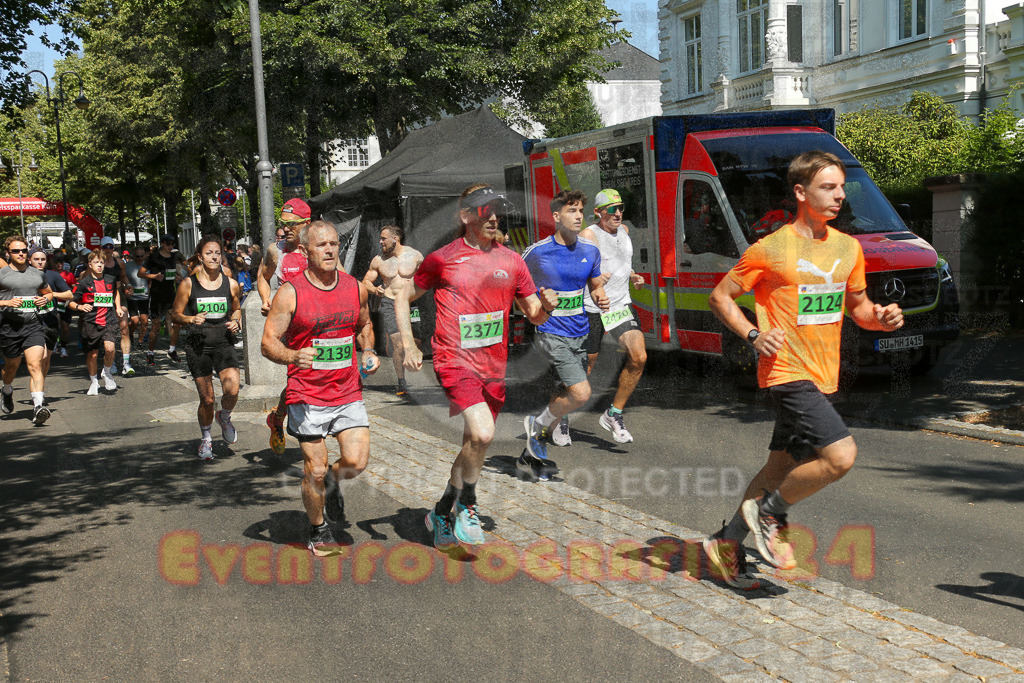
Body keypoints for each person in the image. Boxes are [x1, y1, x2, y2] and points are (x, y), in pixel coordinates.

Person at [703, 151, 904, 590]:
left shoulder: (848, 248)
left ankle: (727, 543)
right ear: (800, 192)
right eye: (827, 187)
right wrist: (754, 336)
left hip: (822, 373)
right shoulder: (772, 249)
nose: (839, 195)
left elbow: (858, 308)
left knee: (778, 468)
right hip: (786, 372)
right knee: (840, 456)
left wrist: (881, 317)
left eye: (841, 187)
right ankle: (772, 513)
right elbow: (720, 298)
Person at [396, 184, 557, 549]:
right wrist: (409, 342)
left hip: (493, 367)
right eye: (484, 210)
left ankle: (440, 511)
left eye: (497, 210)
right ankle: (468, 504)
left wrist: (546, 305)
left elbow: (533, 313)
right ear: (465, 215)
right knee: (483, 433)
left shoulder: (512, 261)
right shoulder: (443, 258)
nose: (494, 217)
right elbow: (402, 296)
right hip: (454, 360)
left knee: (474, 445)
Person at [261, 220, 379, 555]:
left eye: (333, 244)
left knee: (355, 462)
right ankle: (318, 528)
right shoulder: (290, 293)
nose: (329, 250)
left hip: (346, 390)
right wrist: (293, 355)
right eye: (321, 245)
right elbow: (268, 343)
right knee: (314, 468)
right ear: (305, 250)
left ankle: (331, 482)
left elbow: (365, 323)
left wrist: (368, 350)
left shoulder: (354, 287)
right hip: (307, 392)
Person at [521, 190, 608, 473]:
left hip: (580, 331)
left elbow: (595, 285)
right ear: (556, 217)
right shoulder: (537, 252)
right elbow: (516, 286)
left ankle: (532, 447)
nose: (579, 215)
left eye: (581, 210)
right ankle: (538, 425)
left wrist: (600, 296)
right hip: (550, 331)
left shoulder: (590, 250)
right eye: (572, 211)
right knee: (581, 393)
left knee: (566, 394)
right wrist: (535, 307)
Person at [578, 188, 648, 444]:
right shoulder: (589, 235)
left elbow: (621, 262)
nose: (618, 213)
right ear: (598, 212)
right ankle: (561, 415)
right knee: (586, 368)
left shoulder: (625, 232)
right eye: (612, 209)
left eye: (621, 208)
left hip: (619, 306)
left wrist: (633, 276)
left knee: (639, 356)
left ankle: (613, 414)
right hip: (594, 308)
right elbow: (579, 271)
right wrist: (595, 278)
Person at [171, 236, 243, 460]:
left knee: (232, 390)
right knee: (208, 399)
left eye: (218, 252)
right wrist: (191, 319)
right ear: (200, 257)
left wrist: (236, 320)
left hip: (223, 342)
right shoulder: (188, 284)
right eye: (209, 253)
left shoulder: (229, 282)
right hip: (198, 345)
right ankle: (206, 439)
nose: (214, 256)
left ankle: (225, 417)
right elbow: (175, 315)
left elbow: (237, 308)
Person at [258, 198, 312, 456]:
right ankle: (282, 420)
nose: (286, 228)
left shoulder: (318, 247)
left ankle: (279, 417)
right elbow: (263, 277)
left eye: (292, 224)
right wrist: (267, 299)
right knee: (299, 377)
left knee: (315, 376)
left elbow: (341, 278)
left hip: (317, 324)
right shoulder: (275, 250)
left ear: (307, 223)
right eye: (284, 224)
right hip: (291, 326)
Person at [361, 225, 424, 397]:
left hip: (411, 303)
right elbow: (366, 281)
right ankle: (401, 382)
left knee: (415, 343)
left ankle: (413, 379)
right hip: (390, 302)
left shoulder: (415, 256)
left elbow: (429, 276)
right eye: (380, 238)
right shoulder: (379, 260)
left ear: (395, 239)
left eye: (383, 238)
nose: (380, 241)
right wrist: (375, 290)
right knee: (399, 343)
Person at [0, 236, 56, 424]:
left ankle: (39, 406)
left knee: (35, 364)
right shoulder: (3, 274)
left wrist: (45, 299)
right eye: (16, 251)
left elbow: (48, 293)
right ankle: (7, 389)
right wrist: (6, 302)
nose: (21, 254)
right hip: (9, 327)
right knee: (11, 368)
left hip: (32, 325)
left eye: (24, 250)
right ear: (8, 253)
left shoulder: (37, 274)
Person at [70, 250, 121, 395]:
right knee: (92, 354)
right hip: (90, 321)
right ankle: (94, 381)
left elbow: (115, 292)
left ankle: (106, 371)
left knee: (110, 348)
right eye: (96, 262)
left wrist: (117, 307)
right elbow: (70, 302)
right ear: (90, 265)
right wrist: (79, 306)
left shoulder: (110, 279)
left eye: (102, 262)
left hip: (108, 318)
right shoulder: (84, 283)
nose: (99, 265)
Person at [139, 234, 186, 365]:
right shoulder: (153, 257)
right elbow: (140, 273)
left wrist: (177, 277)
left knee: (177, 322)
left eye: (172, 244)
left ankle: (172, 350)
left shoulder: (173, 257)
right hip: (157, 296)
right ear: (163, 244)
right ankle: (150, 353)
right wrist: (154, 276)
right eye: (168, 244)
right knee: (156, 326)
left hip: (170, 294)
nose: (171, 247)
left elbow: (172, 272)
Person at [29, 249, 73, 378]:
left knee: (46, 359)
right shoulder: (23, 276)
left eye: (43, 259)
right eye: (36, 259)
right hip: (31, 322)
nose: (40, 262)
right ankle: (37, 391)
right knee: (39, 356)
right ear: (29, 260)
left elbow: (69, 294)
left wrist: (50, 294)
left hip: (49, 321)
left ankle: (39, 385)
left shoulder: (53, 276)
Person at [98, 236, 134, 375]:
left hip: (118, 295)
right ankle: (110, 362)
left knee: (124, 328)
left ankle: (126, 363)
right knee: (108, 331)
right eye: (105, 247)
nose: (108, 250)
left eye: (110, 247)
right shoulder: (99, 263)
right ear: (101, 248)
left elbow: (123, 276)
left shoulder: (119, 262)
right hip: (103, 298)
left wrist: (128, 285)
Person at [124, 247, 150, 352]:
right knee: (135, 320)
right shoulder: (127, 266)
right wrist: (125, 289)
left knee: (144, 321)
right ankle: (130, 333)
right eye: (137, 256)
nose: (140, 258)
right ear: (133, 256)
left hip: (144, 296)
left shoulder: (148, 265)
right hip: (132, 297)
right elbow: (122, 279)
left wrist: (150, 289)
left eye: (141, 256)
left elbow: (150, 279)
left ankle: (140, 341)